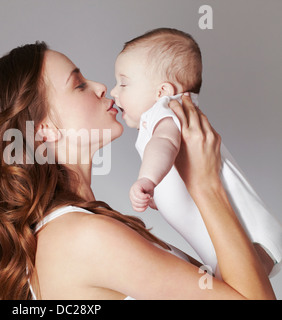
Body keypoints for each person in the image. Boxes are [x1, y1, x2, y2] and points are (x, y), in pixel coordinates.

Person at [0, 41, 276, 299]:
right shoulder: (84, 237)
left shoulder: (78, 229)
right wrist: (205, 185)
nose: (101, 86)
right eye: (78, 85)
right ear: (43, 129)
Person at [110, 28, 282, 277]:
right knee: (234, 286)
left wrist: (147, 180)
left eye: (123, 83)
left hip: (250, 237)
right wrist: (160, 195)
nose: (115, 92)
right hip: (237, 243)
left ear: (163, 91)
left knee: (239, 283)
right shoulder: (175, 115)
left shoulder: (167, 110)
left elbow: (164, 144)